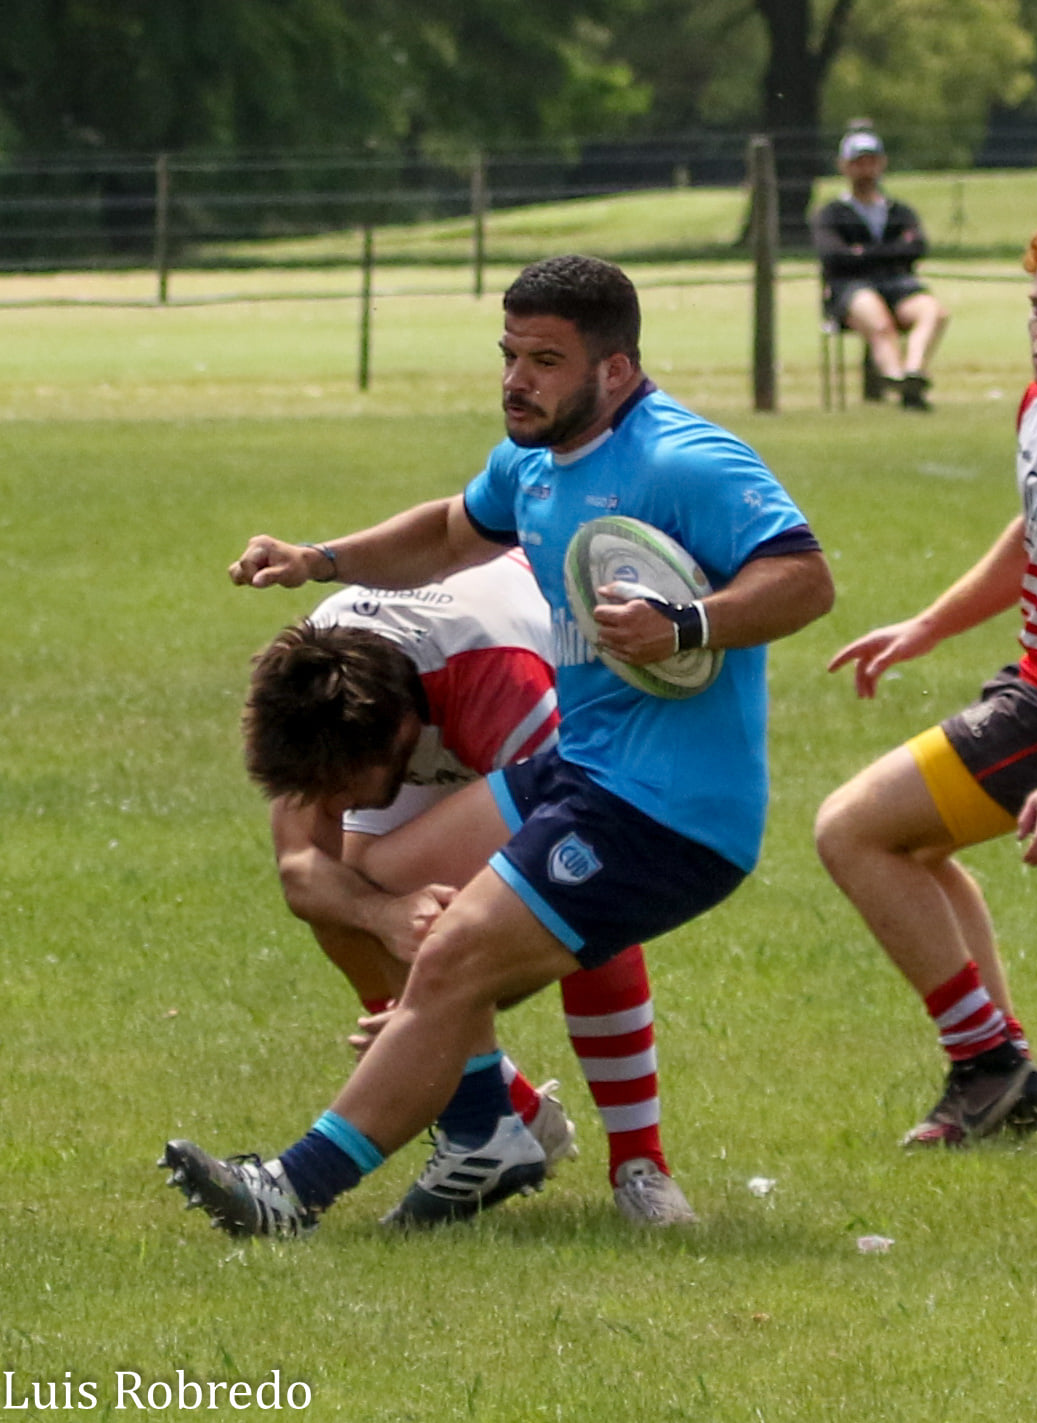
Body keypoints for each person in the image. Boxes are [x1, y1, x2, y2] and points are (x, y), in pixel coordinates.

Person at [161, 252, 834, 1238]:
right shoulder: (530, 460)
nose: (516, 379)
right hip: (583, 770)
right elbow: (445, 530)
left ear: (614, 369)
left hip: (670, 809)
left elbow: (805, 580)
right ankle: (482, 1122)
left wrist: (687, 623)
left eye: (545, 360)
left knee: (451, 960)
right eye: (509, 354)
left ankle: (291, 1191)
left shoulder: (684, 461)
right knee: (371, 883)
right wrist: (321, 560)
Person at [247, 550, 695, 1225]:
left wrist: (435, 991)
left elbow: (590, 892)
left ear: (402, 734)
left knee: (575, 891)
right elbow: (300, 871)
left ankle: (640, 1164)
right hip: (431, 686)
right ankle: (493, 1121)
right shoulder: (314, 692)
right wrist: (385, 914)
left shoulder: (502, 687)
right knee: (352, 889)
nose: (332, 804)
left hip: (523, 700)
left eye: (342, 789)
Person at [814, 212, 1037, 1147]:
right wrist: (929, 624)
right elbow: (1033, 528)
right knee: (904, 845)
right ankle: (999, 1071)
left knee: (850, 830)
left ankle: (989, 1064)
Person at [811, 126, 949, 410]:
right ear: (844, 166)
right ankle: (896, 380)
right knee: (879, 323)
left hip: (898, 285)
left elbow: (917, 248)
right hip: (850, 288)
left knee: (933, 312)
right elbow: (833, 256)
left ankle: (913, 372)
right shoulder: (831, 214)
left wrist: (862, 253)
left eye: (871, 160)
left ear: (881, 163)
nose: (865, 168)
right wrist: (890, 252)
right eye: (858, 162)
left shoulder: (900, 211)